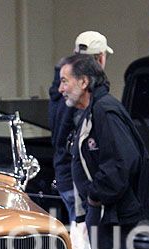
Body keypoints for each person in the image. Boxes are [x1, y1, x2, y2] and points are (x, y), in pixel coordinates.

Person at [58, 53, 149, 249]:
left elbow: (122, 160)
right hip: (102, 210)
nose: (60, 89)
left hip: (109, 211)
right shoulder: (92, 110)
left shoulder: (104, 110)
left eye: (65, 81)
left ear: (84, 82)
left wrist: (96, 196)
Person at [48, 31, 113, 223]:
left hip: (64, 174)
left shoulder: (60, 88)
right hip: (80, 181)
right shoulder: (84, 94)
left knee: (79, 239)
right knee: (87, 244)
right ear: (100, 58)